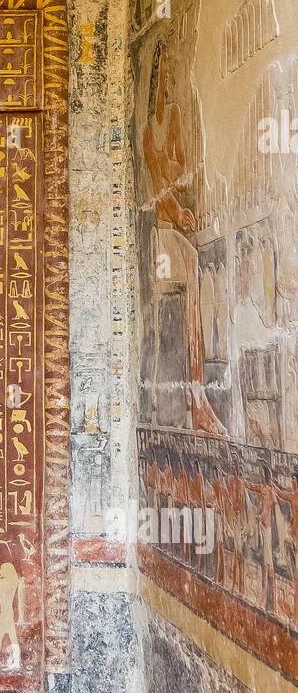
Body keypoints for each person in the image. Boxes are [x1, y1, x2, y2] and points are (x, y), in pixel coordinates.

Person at [142, 42, 225, 435]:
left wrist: (175, 192)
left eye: (170, 80)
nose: (167, 86)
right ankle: (192, 399)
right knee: (187, 269)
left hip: (173, 226)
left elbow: (181, 169)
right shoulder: (146, 132)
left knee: (193, 268)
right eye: (163, 80)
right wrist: (175, 205)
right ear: (155, 82)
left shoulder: (171, 117)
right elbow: (162, 184)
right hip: (160, 232)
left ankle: (198, 398)